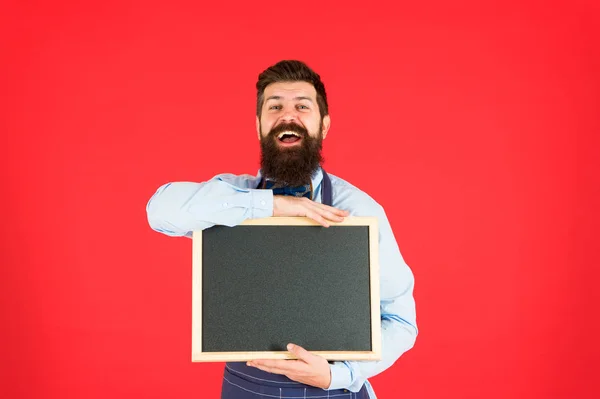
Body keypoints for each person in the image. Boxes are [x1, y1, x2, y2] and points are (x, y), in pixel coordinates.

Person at [146, 60, 418, 399]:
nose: (288, 116)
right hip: (245, 389)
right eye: (274, 107)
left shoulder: (359, 210)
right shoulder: (226, 200)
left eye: (302, 106)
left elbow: (401, 321)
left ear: (325, 125)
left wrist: (339, 374)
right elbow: (159, 210)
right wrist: (271, 206)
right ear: (259, 124)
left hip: (334, 390)